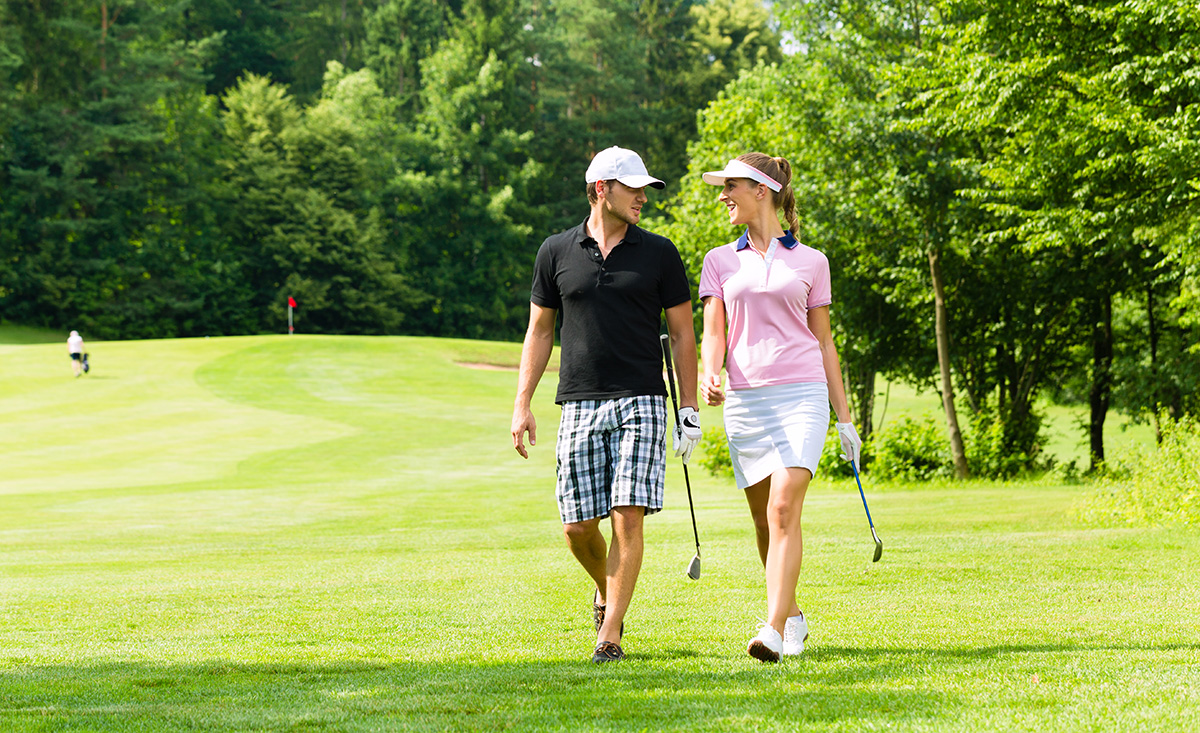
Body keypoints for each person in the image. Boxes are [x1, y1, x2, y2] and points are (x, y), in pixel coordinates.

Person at [511, 146, 700, 664]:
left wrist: (688, 408)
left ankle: (610, 634)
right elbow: (540, 330)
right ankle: (607, 586)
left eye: (645, 188)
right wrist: (522, 402)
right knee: (576, 527)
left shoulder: (659, 253)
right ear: (601, 189)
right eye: (633, 187)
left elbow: (683, 335)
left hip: (642, 399)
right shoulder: (555, 251)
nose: (642, 196)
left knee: (626, 519)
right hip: (578, 401)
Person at [696, 153, 862, 663]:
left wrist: (845, 418)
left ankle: (769, 628)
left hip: (801, 396)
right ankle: (792, 617)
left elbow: (825, 342)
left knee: (784, 507)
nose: (723, 195)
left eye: (731, 187)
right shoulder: (719, 260)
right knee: (766, 525)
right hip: (746, 403)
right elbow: (714, 332)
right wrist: (710, 372)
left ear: (761, 191)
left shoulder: (812, 261)